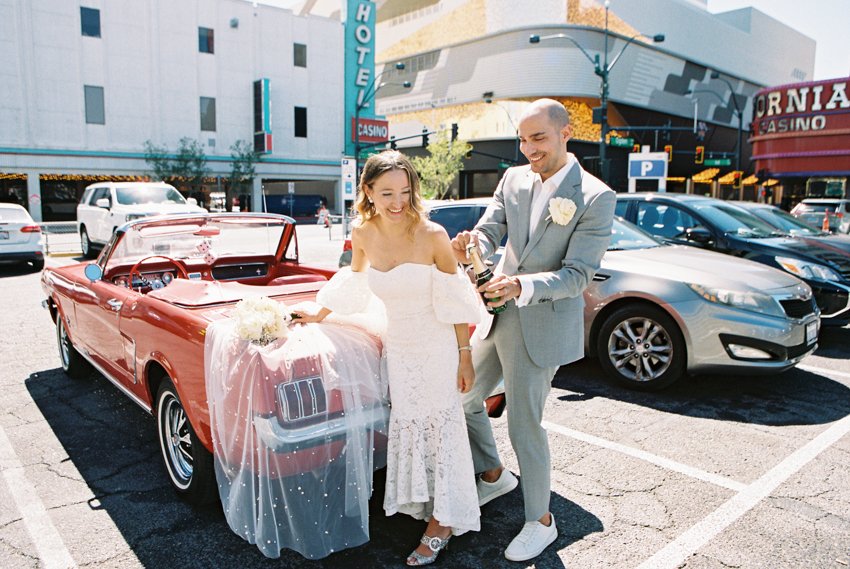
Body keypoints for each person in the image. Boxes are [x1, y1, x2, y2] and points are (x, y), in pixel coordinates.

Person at [292, 150, 482, 566]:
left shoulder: (433, 235)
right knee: (412, 424)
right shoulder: (362, 233)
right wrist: (318, 313)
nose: (397, 202)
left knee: (441, 428)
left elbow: (454, 302)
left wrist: (465, 355)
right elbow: (354, 282)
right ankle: (428, 502)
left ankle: (443, 522)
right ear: (368, 192)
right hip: (399, 348)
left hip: (436, 349)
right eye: (387, 193)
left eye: (405, 191)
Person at [451, 98, 615, 562]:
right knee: (461, 397)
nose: (528, 149)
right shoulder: (513, 179)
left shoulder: (597, 196)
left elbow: (578, 275)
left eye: (538, 138)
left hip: (540, 323)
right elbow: (490, 228)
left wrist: (521, 285)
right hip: (494, 316)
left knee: (525, 425)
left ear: (566, 133)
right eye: (522, 139)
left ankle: (541, 522)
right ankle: (493, 475)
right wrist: (473, 245)